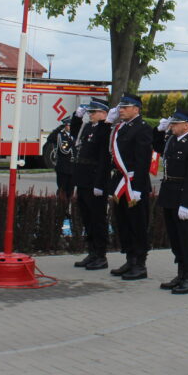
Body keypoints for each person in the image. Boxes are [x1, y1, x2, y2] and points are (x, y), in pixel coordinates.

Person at [156, 110, 188, 295]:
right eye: (172, 123)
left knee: (187, 238)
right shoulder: (171, 140)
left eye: (176, 123)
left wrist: (186, 203)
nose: (172, 126)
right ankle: (180, 274)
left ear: (187, 125)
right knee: (175, 238)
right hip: (169, 195)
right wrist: (158, 131)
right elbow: (156, 147)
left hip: (183, 197)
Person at [108, 94, 154, 280]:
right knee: (123, 223)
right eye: (120, 107)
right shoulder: (121, 127)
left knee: (137, 224)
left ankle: (140, 264)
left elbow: (143, 161)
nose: (121, 110)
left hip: (134, 183)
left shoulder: (143, 128)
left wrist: (138, 188)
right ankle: (130, 259)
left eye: (125, 107)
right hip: (121, 182)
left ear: (136, 109)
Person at [73, 100, 112, 270]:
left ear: (104, 113)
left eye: (93, 112)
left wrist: (100, 183)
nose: (90, 114)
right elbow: (75, 133)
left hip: (95, 179)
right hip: (83, 178)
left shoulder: (105, 130)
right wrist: (76, 117)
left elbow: (104, 159)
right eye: (89, 112)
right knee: (87, 218)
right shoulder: (88, 127)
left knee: (98, 219)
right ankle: (92, 252)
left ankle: (101, 255)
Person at [54, 112, 79, 199]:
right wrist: (72, 144)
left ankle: (69, 205)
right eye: (69, 125)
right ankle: (61, 205)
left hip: (72, 168)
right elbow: (64, 150)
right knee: (62, 189)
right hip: (63, 167)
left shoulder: (75, 136)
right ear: (65, 126)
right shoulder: (61, 135)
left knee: (71, 190)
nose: (70, 127)